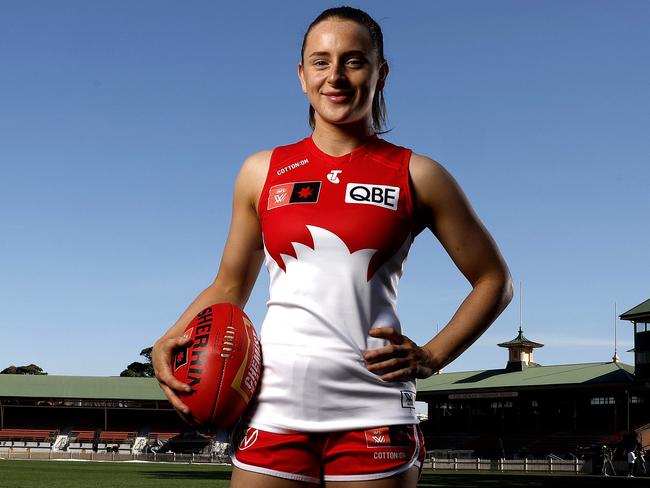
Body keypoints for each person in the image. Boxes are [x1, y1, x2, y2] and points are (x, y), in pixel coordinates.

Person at [152, 6, 512, 487]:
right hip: (273, 406)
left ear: (381, 74)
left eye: (354, 60)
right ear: (301, 76)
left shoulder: (418, 174)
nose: (335, 76)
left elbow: (494, 281)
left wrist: (432, 356)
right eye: (320, 62)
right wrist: (169, 337)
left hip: (374, 408)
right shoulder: (260, 172)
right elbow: (231, 284)